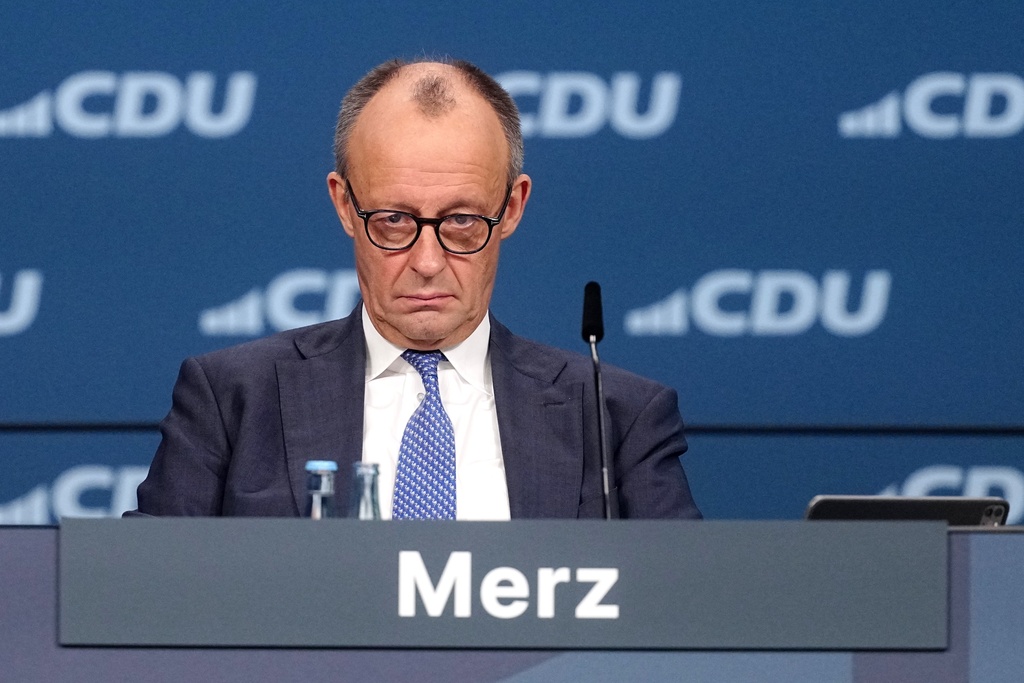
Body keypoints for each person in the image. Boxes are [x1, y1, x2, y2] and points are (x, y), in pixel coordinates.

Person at [130, 57, 701, 520]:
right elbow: (137, 597)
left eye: (460, 221)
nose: (427, 262)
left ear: (513, 207)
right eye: (395, 220)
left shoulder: (615, 417)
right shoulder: (233, 398)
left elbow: (687, 615)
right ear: (344, 205)